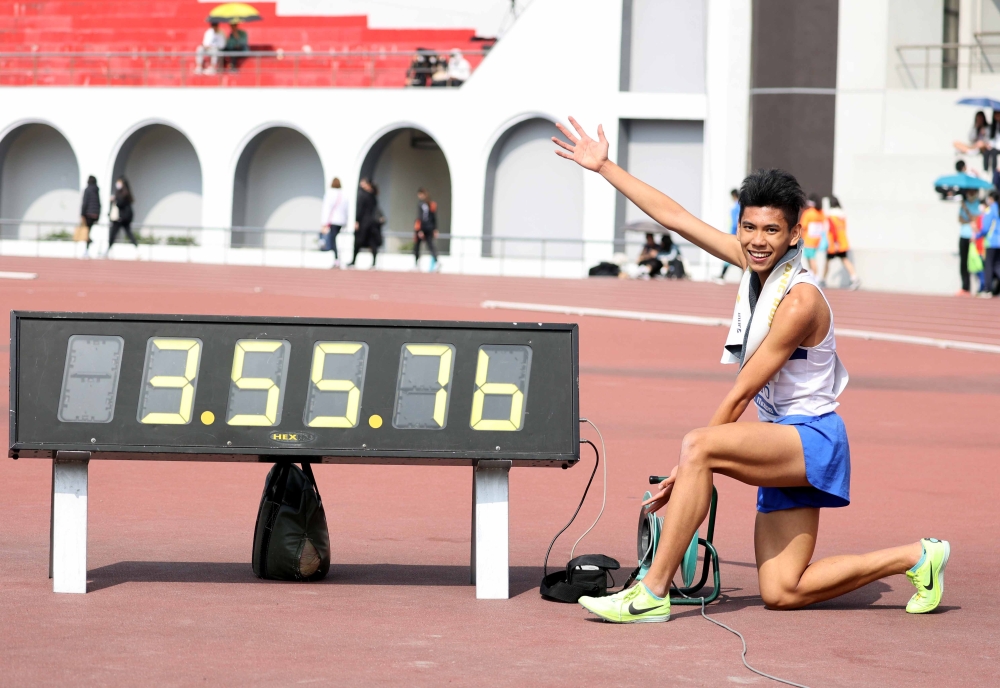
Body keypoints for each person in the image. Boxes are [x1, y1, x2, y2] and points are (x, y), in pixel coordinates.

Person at [552, 116, 948, 624]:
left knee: (699, 445)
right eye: (748, 227)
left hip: (812, 440)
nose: (757, 240)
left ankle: (651, 594)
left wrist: (688, 465)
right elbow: (676, 217)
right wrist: (605, 166)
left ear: (793, 235)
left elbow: (742, 392)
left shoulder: (800, 300)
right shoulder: (752, 262)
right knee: (783, 590)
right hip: (781, 440)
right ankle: (918, 556)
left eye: (771, 230)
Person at [823, 196, 860, 290]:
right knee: (845, 260)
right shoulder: (842, 215)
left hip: (834, 243)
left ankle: (822, 280)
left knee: (827, 261)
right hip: (843, 242)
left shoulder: (831, 216)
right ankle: (854, 278)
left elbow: (833, 230)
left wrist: (835, 242)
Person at [349, 178, 383, 268]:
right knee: (372, 243)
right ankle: (374, 263)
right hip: (372, 223)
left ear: (368, 184)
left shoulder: (363, 195)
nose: (361, 185)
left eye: (363, 183)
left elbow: (360, 209)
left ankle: (353, 262)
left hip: (364, 222)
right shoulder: (374, 195)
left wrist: (357, 221)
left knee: (358, 242)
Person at [957, 189, 981, 296]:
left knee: (977, 262)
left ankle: (982, 286)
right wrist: (969, 220)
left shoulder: (978, 203)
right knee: (963, 262)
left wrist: (972, 220)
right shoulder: (964, 204)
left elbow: (980, 218)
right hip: (964, 235)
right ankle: (965, 287)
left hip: (974, 236)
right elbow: (960, 218)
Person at [320, 177, 347, 268]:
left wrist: (324, 223)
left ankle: (336, 259)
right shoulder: (344, 194)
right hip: (341, 221)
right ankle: (337, 259)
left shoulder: (330, 193)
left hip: (333, 220)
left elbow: (326, 208)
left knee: (332, 240)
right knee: (334, 239)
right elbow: (346, 209)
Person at [106, 177, 138, 256]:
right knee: (126, 233)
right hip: (123, 217)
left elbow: (120, 204)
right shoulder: (124, 192)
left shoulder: (124, 193)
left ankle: (107, 251)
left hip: (122, 217)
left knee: (114, 234)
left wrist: (114, 199)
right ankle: (107, 251)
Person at [977, 189, 1000, 296]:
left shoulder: (990, 210)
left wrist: (977, 236)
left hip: (991, 241)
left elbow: (985, 227)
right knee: (997, 265)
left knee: (989, 265)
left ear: (991, 199)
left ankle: (987, 289)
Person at [715, 189, 740, 283]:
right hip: (737, 234)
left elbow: (735, 223)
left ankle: (722, 275)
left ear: (733, 196)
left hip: (734, 235)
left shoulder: (735, 207)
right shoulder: (742, 206)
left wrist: (734, 235)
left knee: (730, 256)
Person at [414, 188, 440, 272]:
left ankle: (436, 262)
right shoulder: (421, 204)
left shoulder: (430, 204)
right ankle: (417, 264)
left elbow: (430, 217)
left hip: (426, 228)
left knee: (430, 245)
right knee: (417, 246)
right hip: (424, 227)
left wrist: (435, 229)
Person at [800, 194, 825, 275]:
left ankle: (815, 276)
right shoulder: (821, 213)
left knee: (811, 259)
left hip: (808, 239)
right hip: (817, 239)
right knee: (811, 258)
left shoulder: (808, 213)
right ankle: (813, 275)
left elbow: (803, 226)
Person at [79, 175, 101, 256]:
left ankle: (87, 248)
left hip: (88, 214)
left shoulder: (87, 190)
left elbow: (85, 203)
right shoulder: (96, 190)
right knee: (88, 231)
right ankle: (88, 246)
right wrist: (98, 216)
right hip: (95, 214)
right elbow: (99, 203)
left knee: (86, 232)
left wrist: (82, 214)